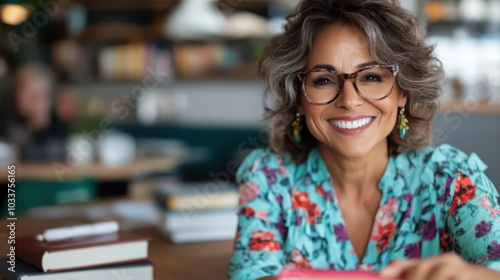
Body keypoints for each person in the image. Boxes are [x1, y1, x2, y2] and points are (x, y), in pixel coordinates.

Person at [228, 0, 500, 279]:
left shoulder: (451, 179)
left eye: (371, 76)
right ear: (298, 97)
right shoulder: (268, 178)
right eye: (323, 80)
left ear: (402, 92)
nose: (349, 101)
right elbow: (252, 273)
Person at [0, 62, 66, 162]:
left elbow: (56, 155)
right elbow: (11, 159)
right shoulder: (7, 114)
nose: (20, 96)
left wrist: (41, 128)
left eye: (41, 95)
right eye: (19, 88)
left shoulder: (56, 122)